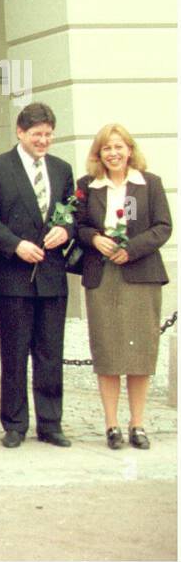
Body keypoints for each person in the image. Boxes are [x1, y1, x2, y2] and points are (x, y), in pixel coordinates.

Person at [0, 102, 75, 448]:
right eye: (37, 134)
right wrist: (16, 245)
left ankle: (51, 423)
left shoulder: (62, 169)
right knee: (15, 353)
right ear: (20, 132)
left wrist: (65, 230)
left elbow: (72, 214)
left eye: (48, 134)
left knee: (51, 352)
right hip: (13, 276)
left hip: (51, 274)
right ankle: (15, 423)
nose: (43, 141)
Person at [75, 123, 172, 450]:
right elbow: (77, 226)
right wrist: (95, 239)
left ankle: (137, 424)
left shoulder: (150, 184)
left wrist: (131, 249)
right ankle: (112, 424)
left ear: (130, 150)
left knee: (139, 353)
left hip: (140, 274)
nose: (113, 153)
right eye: (106, 148)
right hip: (102, 276)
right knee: (109, 351)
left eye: (119, 147)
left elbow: (163, 227)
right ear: (98, 154)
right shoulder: (88, 186)